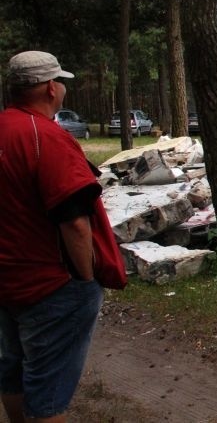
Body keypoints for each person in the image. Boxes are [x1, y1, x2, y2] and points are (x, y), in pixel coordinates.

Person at [0, 51, 124, 422]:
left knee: (12, 369)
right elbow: (74, 221)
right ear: (51, 88)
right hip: (50, 284)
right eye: (62, 82)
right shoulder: (46, 138)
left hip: (6, 278)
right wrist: (85, 278)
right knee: (48, 391)